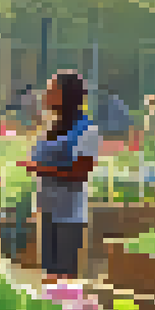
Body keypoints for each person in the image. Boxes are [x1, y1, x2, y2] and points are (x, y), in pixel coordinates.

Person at [19, 71, 102, 282]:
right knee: (49, 275)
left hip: (69, 215)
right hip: (47, 211)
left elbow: (79, 173)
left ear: (67, 95)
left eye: (51, 90)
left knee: (65, 277)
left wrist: (40, 169)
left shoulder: (86, 130)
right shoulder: (50, 129)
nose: (45, 95)